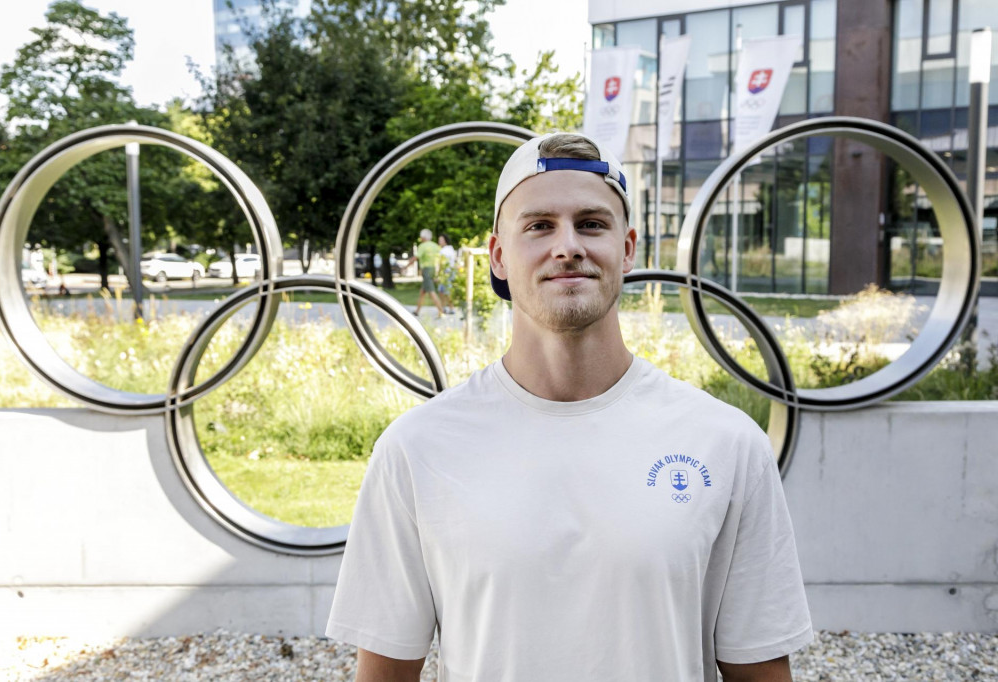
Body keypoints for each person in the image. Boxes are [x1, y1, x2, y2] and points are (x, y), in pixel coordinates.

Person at [326, 133, 812, 681]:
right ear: (499, 255)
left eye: (591, 223)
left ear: (627, 248)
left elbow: (761, 671)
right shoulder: (417, 449)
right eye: (539, 226)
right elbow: (386, 672)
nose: (568, 246)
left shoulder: (725, 442)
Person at [413, 228, 446, 317]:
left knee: (431, 291)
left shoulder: (422, 246)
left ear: (423, 237)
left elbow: (416, 257)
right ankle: (417, 311)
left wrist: (406, 266)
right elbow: (440, 259)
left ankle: (441, 311)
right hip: (433, 269)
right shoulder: (435, 246)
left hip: (426, 270)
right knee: (422, 292)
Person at [437, 233, 457, 314]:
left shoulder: (443, 251)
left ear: (445, 241)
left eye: (441, 240)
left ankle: (451, 308)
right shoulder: (451, 249)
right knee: (442, 291)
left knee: (446, 291)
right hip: (450, 272)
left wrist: (437, 274)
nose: (439, 241)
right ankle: (443, 308)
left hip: (446, 273)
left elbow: (440, 263)